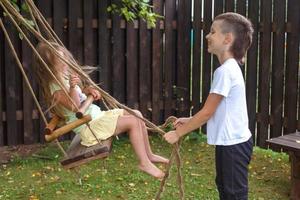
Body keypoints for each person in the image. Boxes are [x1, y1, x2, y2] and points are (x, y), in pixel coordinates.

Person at [33, 41, 168, 179]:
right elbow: (74, 105)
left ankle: (149, 155)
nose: (64, 63)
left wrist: (88, 90)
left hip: (96, 116)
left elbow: (79, 95)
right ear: (48, 66)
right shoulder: (54, 88)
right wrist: (73, 87)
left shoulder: (64, 77)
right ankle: (144, 163)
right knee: (133, 121)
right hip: (88, 127)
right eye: (59, 61)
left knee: (136, 114)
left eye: (64, 58)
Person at [164, 12, 254, 199]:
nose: (207, 36)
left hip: (233, 146)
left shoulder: (225, 71)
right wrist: (190, 120)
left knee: (233, 194)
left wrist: (178, 133)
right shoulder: (230, 68)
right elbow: (218, 110)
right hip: (231, 143)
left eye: (213, 32)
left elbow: (207, 112)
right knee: (225, 188)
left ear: (228, 39)